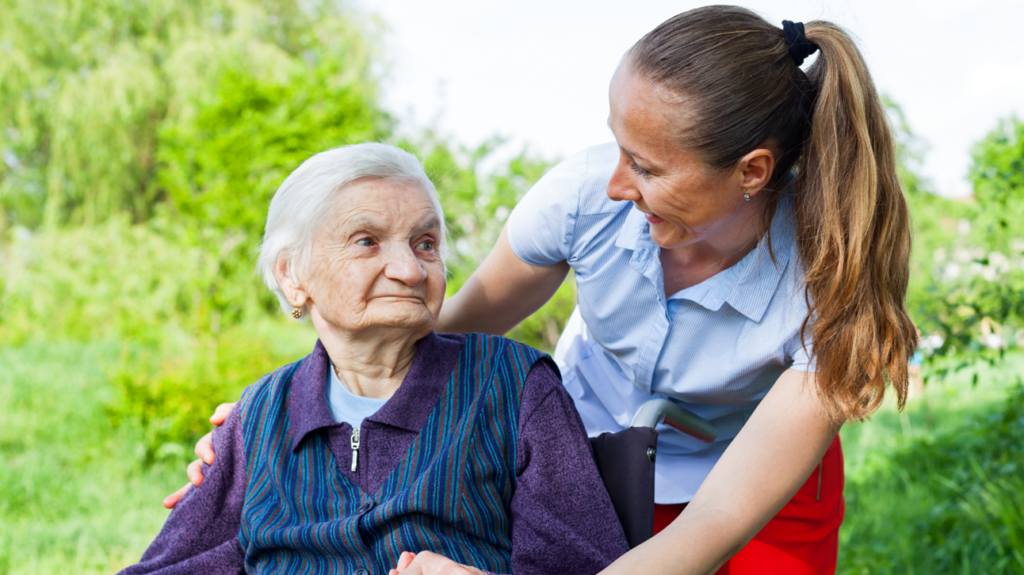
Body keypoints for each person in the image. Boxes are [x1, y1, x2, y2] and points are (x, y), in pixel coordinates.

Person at [173, 7, 918, 574]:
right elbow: (432, 340)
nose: (616, 180)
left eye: (648, 167)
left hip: (753, 486)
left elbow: (714, 521)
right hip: (583, 453)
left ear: (751, 172)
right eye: (616, 145)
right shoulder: (584, 199)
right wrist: (280, 423)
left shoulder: (832, 289)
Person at [125, 143, 628, 575]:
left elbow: (584, 565)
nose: (410, 269)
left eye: (425, 244)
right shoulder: (259, 415)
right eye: (367, 242)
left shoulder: (514, 386)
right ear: (291, 274)